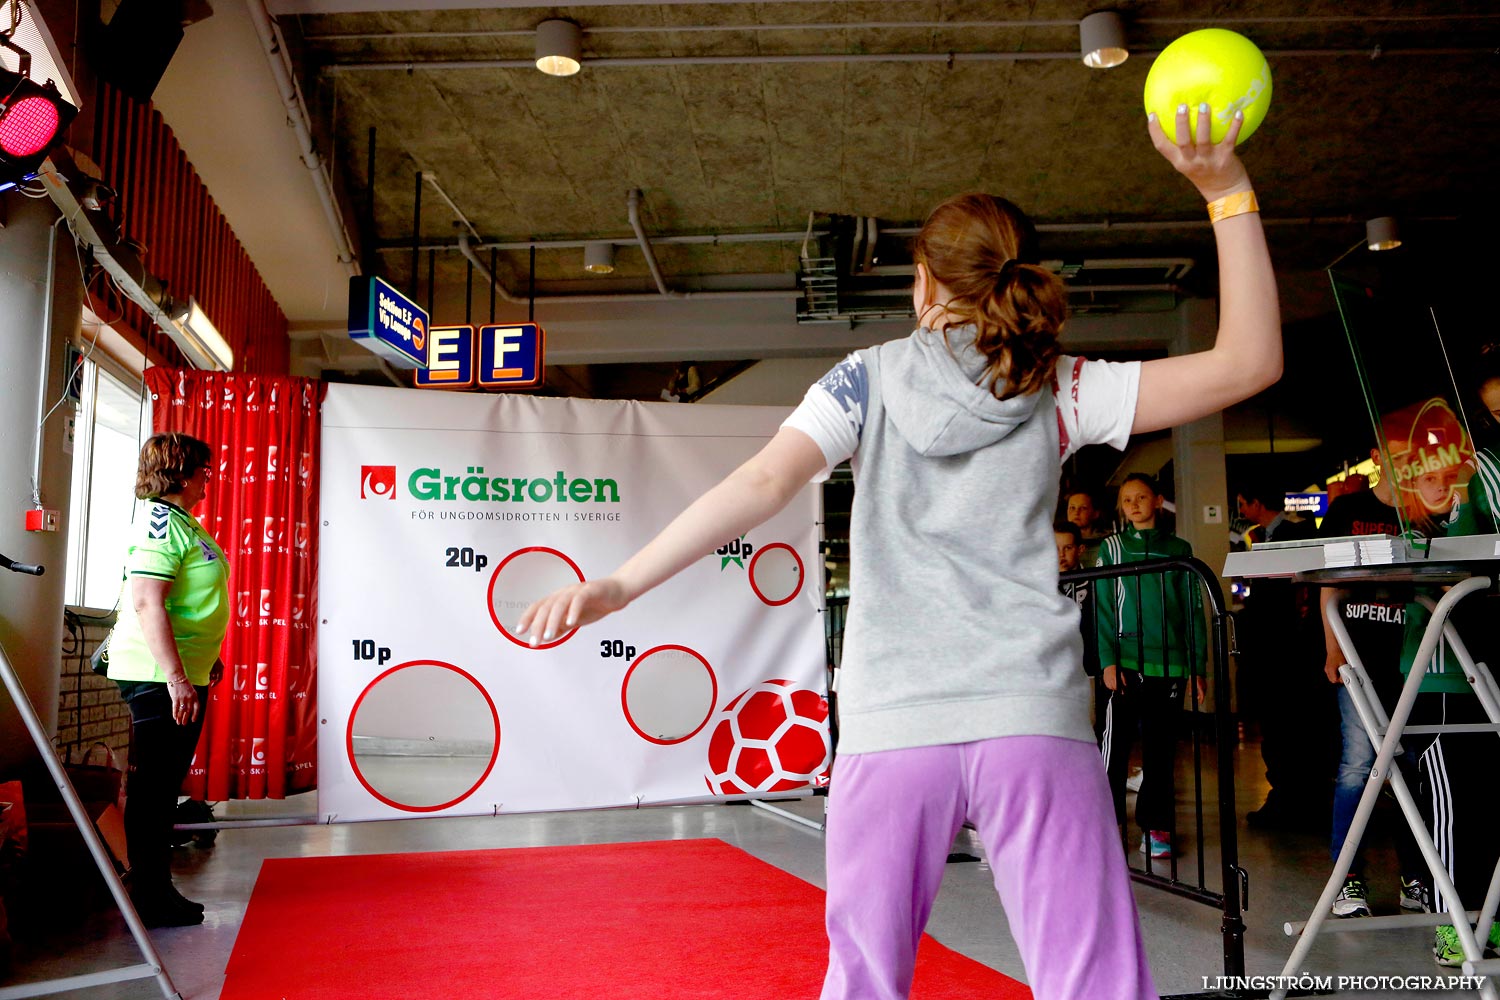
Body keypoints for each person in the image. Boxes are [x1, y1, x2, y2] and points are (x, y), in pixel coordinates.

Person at [520, 104, 1281, 1000]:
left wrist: (619, 582)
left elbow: (763, 485)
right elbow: (1248, 363)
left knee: (866, 983)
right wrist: (1226, 191)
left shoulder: (864, 380)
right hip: (1030, 717)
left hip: (895, 726)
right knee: (1095, 985)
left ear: (923, 282)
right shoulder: (1058, 384)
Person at [104, 433, 228, 927]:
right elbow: (146, 601)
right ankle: (150, 897)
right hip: (156, 675)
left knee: (163, 788)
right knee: (154, 789)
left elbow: (189, 601)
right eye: (202, 470)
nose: (207, 479)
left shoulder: (183, 523)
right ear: (179, 473)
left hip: (180, 671)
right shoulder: (160, 523)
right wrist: (176, 677)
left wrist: (204, 659)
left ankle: (159, 888)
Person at [1317, 441, 1428, 918]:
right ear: (1377, 457)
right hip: (1359, 656)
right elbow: (1329, 583)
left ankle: (1417, 878)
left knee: (1412, 770)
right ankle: (1346, 880)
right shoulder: (1349, 509)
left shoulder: (1426, 513)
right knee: (1358, 767)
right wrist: (1333, 649)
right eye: (1396, 453)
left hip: (1412, 658)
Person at [1094, 473, 1207, 859]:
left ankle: (1156, 828)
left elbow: (1193, 610)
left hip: (1171, 665)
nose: (1135, 505)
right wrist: (1108, 660)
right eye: (1127, 500)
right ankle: (1106, 828)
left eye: (1142, 497)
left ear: (1157, 501)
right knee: (1113, 751)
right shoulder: (1111, 548)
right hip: (1124, 663)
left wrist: (1197, 665)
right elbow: (1103, 609)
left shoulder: (1179, 548)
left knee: (1160, 753)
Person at [1234, 480, 1334, 830]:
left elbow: (1277, 599)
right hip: (1297, 647)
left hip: (1286, 649)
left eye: (1243, 504)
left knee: (1284, 724)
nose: (1242, 512)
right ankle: (1300, 798)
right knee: (1295, 724)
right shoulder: (1280, 535)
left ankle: (1289, 799)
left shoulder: (1287, 537)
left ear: (1256, 502)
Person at [1063, 486, 1110, 565]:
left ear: (1095, 513)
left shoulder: (1106, 543)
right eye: (1072, 508)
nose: (1076, 512)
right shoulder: (1059, 543)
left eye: (1083, 508)